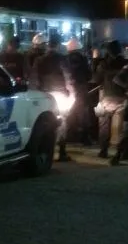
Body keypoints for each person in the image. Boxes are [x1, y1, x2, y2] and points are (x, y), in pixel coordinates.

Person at [32, 32, 74, 161]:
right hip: (60, 94)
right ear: (58, 44)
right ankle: (61, 152)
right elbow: (68, 77)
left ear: (48, 44)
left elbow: (34, 79)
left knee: (46, 122)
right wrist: (72, 93)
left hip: (45, 94)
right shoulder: (61, 59)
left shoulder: (39, 60)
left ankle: (46, 150)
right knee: (62, 122)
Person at [93, 40, 128, 160]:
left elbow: (96, 80)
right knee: (122, 127)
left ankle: (103, 150)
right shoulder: (126, 63)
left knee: (104, 126)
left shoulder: (103, 64)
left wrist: (95, 61)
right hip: (122, 98)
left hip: (106, 98)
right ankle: (122, 152)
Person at [65, 36, 92, 145]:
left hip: (68, 90)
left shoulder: (64, 59)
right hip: (81, 90)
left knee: (69, 113)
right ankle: (84, 138)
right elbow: (89, 74)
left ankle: (69, 136)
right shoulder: (83, 59)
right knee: (83, 114)